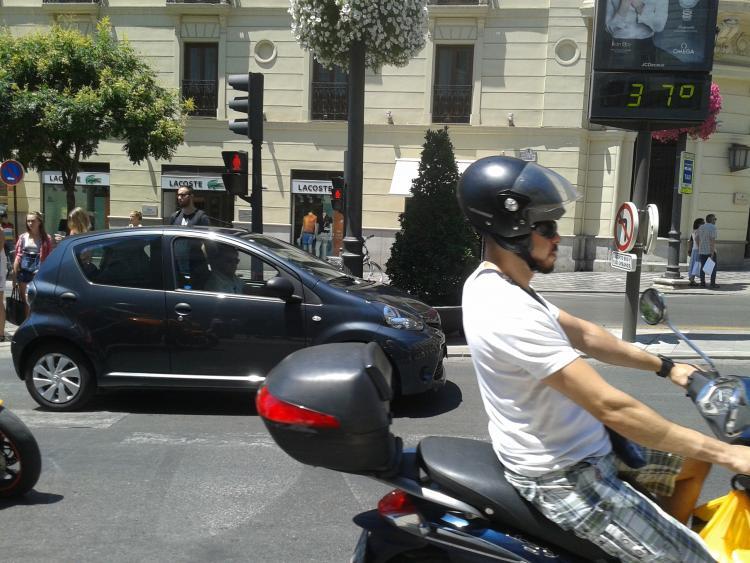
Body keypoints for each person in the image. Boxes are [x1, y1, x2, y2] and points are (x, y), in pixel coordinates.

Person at [458, 156, 749, 562]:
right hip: (567, 476)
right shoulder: (505, 308)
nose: (558, 237)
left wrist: (669, 367)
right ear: (513, 228)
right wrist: (730, 453)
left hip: (592, 447)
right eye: (547, 227)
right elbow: (611, 406)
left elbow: (587, 335)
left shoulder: (505, 285)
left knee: (694, 465)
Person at [14, 212, 53, 317]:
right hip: (24, 273)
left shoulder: (46, 238)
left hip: (39, 274)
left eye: (33, 221)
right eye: (28, 221)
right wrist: (15, 275)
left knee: (37, 302)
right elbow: (18, 256)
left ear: (39, 222)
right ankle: (28, 325)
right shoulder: (23, 237)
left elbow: (49, 258)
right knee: (27, 302)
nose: (30, 223)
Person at [697, 213, 719, 289]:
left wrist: (699, 247)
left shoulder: (701, 227)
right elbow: (712, 240)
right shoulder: (713, 227)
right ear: (711, 220)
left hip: (702, 250)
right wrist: (712, 253)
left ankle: (702, 283)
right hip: (710, 251)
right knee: (713, 267)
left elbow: (697, 238)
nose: (715, 220)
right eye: (715, 219)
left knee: (702, 267)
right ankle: (712, 283)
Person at [687, 217, 704, 286]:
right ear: (699, 224)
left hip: (694, 250)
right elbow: (698, 241)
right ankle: (692, 280)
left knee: (693, 264)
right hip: (697, 250)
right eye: (703, 223)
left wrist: (689, 250)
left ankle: (691, 278)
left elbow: (690, 241)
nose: (704, 224)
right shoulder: (699, 231)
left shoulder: (693, 231)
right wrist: (701, 250)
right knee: (696, 265)